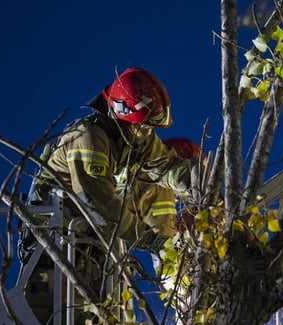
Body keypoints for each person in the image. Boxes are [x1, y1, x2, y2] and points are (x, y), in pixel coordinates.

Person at [34, 67, 197, 252]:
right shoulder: (88, 137)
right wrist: (149, 238)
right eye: (143, 126)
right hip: (51, 234)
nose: (147, 133)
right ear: (123, 115)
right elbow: (98, 202)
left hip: (87, 233)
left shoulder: (136, 136)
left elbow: (166, 165)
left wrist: (199, 183)